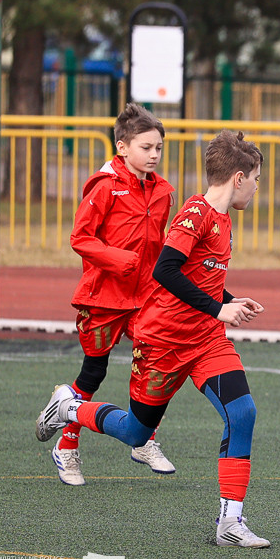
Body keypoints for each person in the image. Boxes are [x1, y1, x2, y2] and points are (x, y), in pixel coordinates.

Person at [37, 130, 271, 549]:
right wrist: (218, 308)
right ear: (238, 178)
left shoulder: (223, 218)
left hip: (207, 342)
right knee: (135, 433)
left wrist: (229, 300)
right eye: (256, 179)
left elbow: (199, 277)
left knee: (243, 413)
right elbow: (165, 269)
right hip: (162, 343)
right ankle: (69, 408)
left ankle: (231, 522)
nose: (257, 188)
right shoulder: (195, 213)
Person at [51, 103, 176, 486]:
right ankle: (66, 447)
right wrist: (117, 259)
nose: (154, 155)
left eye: (158, 148)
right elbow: (81, 238)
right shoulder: (104, 186)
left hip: (146, 298)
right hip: (104, 297)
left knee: (160, 366)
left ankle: (144, 440)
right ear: (122, 147)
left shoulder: (163, 192)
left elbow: (159, 245)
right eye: (146, 147)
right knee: (94, 372)